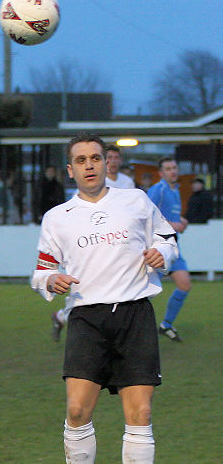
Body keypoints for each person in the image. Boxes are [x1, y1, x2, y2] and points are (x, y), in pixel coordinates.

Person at [31, 134, 178, 464]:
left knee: (141, 413)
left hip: (134, 313)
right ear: (71, 170)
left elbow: (166, 241)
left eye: (96, 157)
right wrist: (50, 280)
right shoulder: (58, 217)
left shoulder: (135, 200)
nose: (90, 165)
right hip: (86, 318)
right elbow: (41, 270)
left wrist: (161, 256)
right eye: (81, 160)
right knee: (77, 410)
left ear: (106, 163)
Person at [50, 146, 137, 340]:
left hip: (118, 242)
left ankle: (61, 317)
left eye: (116, 158)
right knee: (89, 294)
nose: (113, 161)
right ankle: (63, 317)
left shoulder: (127, 183)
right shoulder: (89, 187)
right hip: (96, 242)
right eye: (111, 157)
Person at [146, 157, 191, 342]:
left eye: (174, 168)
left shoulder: (176, 189)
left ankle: (165, 325)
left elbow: (165, 214)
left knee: (184, 285)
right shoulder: (158, 190)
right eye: (168, 169)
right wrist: (173, 224)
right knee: (143, 293)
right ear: (161, 173)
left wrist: (180, 220)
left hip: (173, 246)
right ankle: (130, 328)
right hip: (156, 247)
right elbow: (146, 215)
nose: (172, 171)